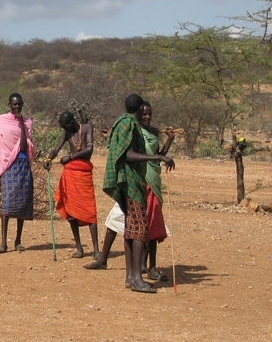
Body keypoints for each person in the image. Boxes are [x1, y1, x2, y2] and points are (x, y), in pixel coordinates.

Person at [101, 93, 174, 293]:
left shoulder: (120, 122)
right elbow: (129, 154)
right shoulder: (130, 125)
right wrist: (158, 156)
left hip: (127, 181)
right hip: (132, 182)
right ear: (140, 108)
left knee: (131, 229)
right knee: (140, 230)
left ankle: (131, 277)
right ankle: (137, 279)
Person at [45, 111, 100, 259]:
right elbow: (56, 149)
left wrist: (70, 157)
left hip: (83, 173)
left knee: (90, 210)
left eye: (65, 127)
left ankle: (96, 249)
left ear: (71, 123)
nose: (64, 130)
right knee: (70, 212)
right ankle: (79, 247)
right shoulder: (67, 134)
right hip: (70, 174)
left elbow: (89, 149)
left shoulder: (87, 128)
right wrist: (49, 159)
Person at [0, 93, 34, 253]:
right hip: (8, 166)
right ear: (9, 104)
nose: (17, 107)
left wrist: (22, 124)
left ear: (22, 104)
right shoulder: (1, 121)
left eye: (19, 104)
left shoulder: (28, 122)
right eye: (14, 104)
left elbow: (24, 146)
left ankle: (18, 240)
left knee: (22, 204)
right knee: (7, 204)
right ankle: (3, 242)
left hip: (23, 164)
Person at [140, 102, 176, 280]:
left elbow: (158, 155)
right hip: (140, 182)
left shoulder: (154, 132)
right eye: (144, 114)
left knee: (153, 225)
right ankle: (141, 265)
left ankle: (152, 267)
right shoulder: (134, 132)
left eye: (150, 114)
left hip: (153, 180)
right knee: (141, 226)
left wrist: (169, 139)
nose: (147, 117)